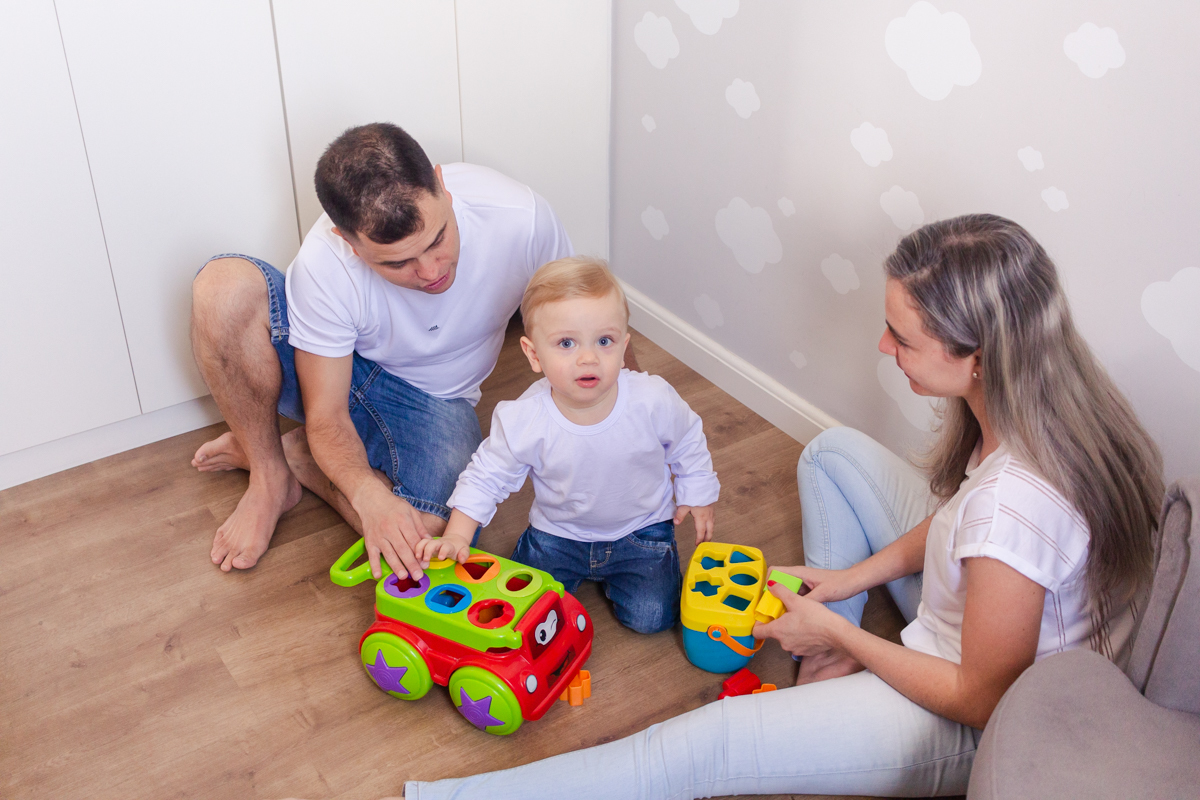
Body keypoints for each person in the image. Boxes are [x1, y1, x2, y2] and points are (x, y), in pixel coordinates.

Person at [398, 214, 1164, 798]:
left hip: (978, 710)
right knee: (830, 452)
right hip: (964, 615)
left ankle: (453, 795)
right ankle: (831, 645)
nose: (881, 349)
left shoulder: (1015, 509)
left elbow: (982, 693)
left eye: (902, 337)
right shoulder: (1027, 418)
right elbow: (959, 515)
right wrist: (846, 585)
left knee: (707, 745)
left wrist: (838, 632)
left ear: (980, 358)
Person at [189, 122, 580, 579]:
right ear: (347, 239)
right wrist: (368, 496)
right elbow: (327, 414)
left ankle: (299, 459)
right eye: (398, 262)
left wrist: (633, 417)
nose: (432, 270)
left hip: (436, 400)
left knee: (433, 543)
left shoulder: (519, 216)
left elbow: (587, 322)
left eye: (438, 238)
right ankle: (269, 472)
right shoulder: (326, 264)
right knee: (221, 290)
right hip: (331, 376)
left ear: (442, 186)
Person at [416, 257, 720, 634]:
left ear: (624, 346)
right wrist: (458, 535)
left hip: (641, 533)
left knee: (652, 620)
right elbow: (486, 476)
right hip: (557, 536)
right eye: (566, 343)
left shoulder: (651, 400)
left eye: (604, 341)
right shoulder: (525, 417)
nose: (588, 357)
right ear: (533, 354)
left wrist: (699, 492)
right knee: (523, 618)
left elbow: (688, 438)